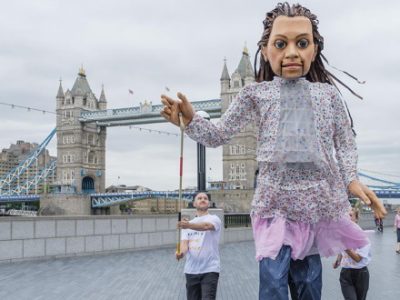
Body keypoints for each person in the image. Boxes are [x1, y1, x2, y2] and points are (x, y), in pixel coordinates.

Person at [162, 3, 386, 299]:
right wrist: (191, 121)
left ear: (314, 49)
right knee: (272, 282)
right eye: (281, 44)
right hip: (273, 206)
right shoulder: (255, 93)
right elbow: (219, 134)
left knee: (308, 285)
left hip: (314, 206)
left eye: (302, 43)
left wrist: (351, 179)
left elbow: (344, 140)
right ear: (266, 51)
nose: (292, 52)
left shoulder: (327, 95)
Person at [175, 192, 222, 300]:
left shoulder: (214, 219)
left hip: (210, 270)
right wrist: (180, 253)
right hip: (191, 271)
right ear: (194, 203)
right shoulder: (187, 225)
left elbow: (206, 226)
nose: (203, 199)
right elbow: (184, 246)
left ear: (209, 203)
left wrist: (188, 225)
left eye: (205, 198)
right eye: (199, 198)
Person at [333, 208, 371, 300]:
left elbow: (358, 259)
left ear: (356, 219)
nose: (347, 218)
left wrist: (345, 246)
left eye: (350, 215)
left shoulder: (363, 238)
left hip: (361, 274)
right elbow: (341, 251)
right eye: (345, 215)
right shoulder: (342, 235)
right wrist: (337, 261)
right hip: (345, 274)